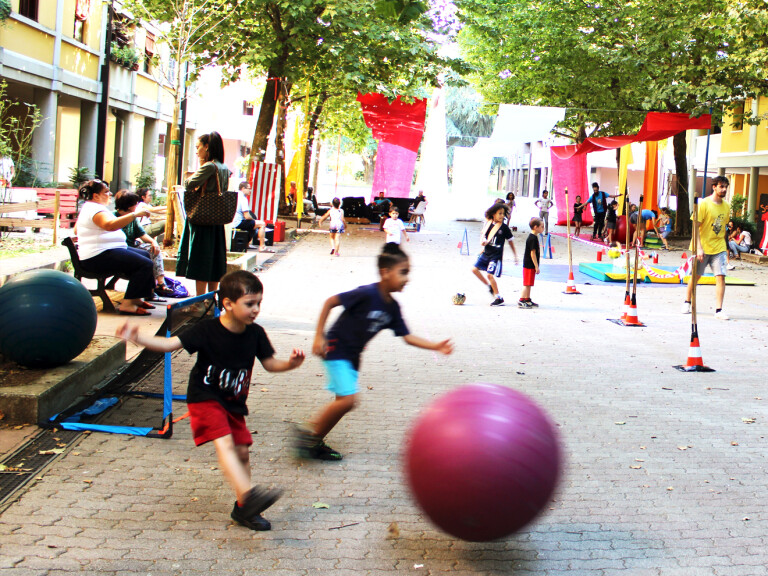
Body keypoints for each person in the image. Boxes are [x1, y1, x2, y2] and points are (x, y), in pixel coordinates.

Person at [115, 270, 305, 530]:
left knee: (242, 453)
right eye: (250, 304)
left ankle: (243, 510)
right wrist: (137, 338)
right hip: (205, 397)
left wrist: (291, 364)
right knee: (225, 444)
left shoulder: (256, 333)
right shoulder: (206, 330)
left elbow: (270, 364)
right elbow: (170, 345)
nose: (256, 309)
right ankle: (249, 498)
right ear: (227, 303)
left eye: (259, 303)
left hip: (233, 403)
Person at [294, 243, 453, 461]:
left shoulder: (392, 307)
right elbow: (330, 302)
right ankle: (308, 437)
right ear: (385, 272)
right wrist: (318, 336)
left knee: (342, 401)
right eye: (403, 272)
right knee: (348, 400)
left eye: (408, 273)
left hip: (352, 356)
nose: (407, 278)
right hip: (335, 348)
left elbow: (407, 337)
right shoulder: (367, 293)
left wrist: (434, 345)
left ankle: (314, 438)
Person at [74, 179, 155, 315]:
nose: (110, 194)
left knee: (145, 256)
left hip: (106, 251)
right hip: (97, 257)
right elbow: (110, 225)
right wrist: (134, 215)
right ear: (96, 196)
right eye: (106, 191)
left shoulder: (93, 207)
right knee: (144, 264)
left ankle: (136, 298)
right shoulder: (94, 209)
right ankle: (128, 304)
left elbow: (78, 229)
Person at [176, 131, 230, 297]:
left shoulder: (208, 166)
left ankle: (200, 300)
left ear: (207, 147)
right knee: (214, 261)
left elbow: (189, 184)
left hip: (202, 218)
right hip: (216, 220)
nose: (196, 151)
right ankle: (212, 298)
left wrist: (200, 165)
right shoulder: (223, 166)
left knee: (201, 260)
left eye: (198, 147)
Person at [681, 175, 731, 320]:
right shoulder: (704, 204)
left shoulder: (726, 206)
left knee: (721, 276)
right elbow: (695, 227)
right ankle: (687, 301)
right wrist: (699, 248)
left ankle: (719, 309)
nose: (724, 189)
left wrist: (726, 248)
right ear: (714, 187)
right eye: (721, 186)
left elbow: (723, 227)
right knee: (696, 276)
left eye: (725, 187)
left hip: (719, 246)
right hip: (701, 246)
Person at [114, 191, 169, 297]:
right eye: (135, 203)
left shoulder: (133, 218)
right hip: (121, 249)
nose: (137, 205)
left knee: (153, 250)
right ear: (130, 206)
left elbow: (141, 234)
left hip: (133, 246)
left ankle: (160, 283)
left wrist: (154, 242)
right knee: (145, 261)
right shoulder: (113, 216)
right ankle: (148, 290)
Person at [472, 202, 519, 306]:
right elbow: (484, 237)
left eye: (503, 214)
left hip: (495, 255)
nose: (502, 216)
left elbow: (511, 242)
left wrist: (515, 256)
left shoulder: (504, 228)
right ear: (493, 214)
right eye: (500, 213)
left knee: (490, 275)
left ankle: (498, 297)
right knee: (474, 269)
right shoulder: (488, 224)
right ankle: (489, 287)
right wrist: (483, 246)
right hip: (486, 253)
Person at [232, 181, 272, 253]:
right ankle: (262, 246)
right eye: (249, 188)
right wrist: (254, 220)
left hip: (233, 222)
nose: (250, 190)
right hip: (239, 222)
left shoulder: (235, 195)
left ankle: (246, 244)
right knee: (262, 224)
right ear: (243, 188)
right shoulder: (243, 199)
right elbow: (247, 216)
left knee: (253, 225)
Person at [519, 217, 544, 308]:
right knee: (526, 284)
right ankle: (521, 299)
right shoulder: (532, 238)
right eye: (542, 226)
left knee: (529, 283)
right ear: (535, 227)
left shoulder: (534, 237)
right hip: (529, 264)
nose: (543, 228)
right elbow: (532, 254)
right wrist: (536, 266)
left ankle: (527, 298)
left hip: (531, 264)